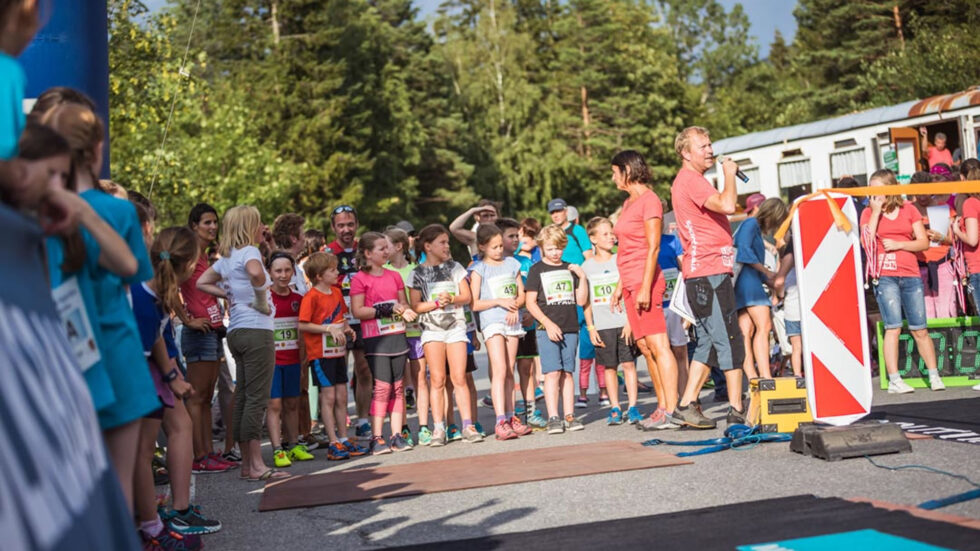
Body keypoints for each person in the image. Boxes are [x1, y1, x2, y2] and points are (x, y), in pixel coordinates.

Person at [42, 102, 161, 507]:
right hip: (115, 347)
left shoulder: (36, 210)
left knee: (68, 491)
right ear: (97, 149)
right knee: (119, 489)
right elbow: (134, 271)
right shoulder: (117, 210)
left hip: (60, 348)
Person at [131, 225, 218, 548]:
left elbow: (155, 337)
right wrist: (170, 377)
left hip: (154, 375)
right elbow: (142, 347)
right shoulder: (142, 296)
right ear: (183, 267)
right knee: (140, 452)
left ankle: (153, 520)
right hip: (138, 379)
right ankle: (150, 526)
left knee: (143, 450)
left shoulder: (155, 293)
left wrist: (171, 376)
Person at [197, 205, 289, 481]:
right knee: (256, 399)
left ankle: (249, 465)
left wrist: (228, 293)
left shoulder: (226, 256)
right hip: (256, 330)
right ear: (249, 226)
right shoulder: (249, 252)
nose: (263, 228)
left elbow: (202, 282)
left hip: (237, 330)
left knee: (243, 397)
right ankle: (257, 465)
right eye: (259, 223)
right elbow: (257, 274)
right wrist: (260, 294)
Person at [669, 127, 746, 429]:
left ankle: (687, 405)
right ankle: (737, 409)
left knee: (709, 344)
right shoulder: (689, 180)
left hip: (706, 273)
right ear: (686, 153)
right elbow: (728, 205)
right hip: (708, 272)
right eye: (703, 146)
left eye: (711, 144)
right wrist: (729, 174)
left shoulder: (693, 180)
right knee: (729, 339)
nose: (711, 150)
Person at [609, 150, 681, 430]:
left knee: (659, 344)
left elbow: (653, 247)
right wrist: (619, 287)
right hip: (628, 280)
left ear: (627, 170)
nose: (613, 177)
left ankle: (671, 410)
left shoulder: (650, 200)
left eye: (615, 171)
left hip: (645, 280)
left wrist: (645, 288)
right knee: (646, 347)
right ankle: (662, 405)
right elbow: (626, 247)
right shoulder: (629, 203)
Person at [861, 169, 943, 393]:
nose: (874, 196)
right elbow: (866, 242)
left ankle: (934, 375)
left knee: (920, 327)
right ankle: (895, 379)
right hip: (884, 275)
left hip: (910, 273)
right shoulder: (868, 213)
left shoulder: (909, 209)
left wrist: (900, 245)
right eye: (871, 191)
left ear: (890, 189)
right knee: (893, 326)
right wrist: (876, 212)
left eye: (878, 190)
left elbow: (923, 242)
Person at [350, 232, 421, 453]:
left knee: (398, 387)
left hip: (397, 335)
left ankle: (397, 435)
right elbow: (358, 310)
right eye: (381, 249)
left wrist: (405, 311)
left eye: (386, 247)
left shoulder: (394, 276)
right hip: (375, 340)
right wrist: (384, 309)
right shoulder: (359, 279)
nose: (386, 251)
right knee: (382, 387)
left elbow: (402, 303)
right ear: (368, 253)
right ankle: (377, 437)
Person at [180, 202, 237, 473]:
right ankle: (198, 455)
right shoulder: (189, 251)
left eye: (215, 222)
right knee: (197, 397)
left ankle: (207, 453)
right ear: (193, 225)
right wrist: (185, 318)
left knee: (205, 398)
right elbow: (168, 282)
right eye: (206, 222)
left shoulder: (204, 254)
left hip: (213, 330)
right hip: (198, 331)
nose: (212, 227)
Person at [408, 224, 475, 446]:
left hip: (455, 327)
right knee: (436, 379)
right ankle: (438, 428)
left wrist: (452, 299)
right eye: (442, 242)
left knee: (459, 378)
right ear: (428, 246)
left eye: (447, 242)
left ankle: (468, 425)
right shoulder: (416, 273)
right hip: (431, 331)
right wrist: (436, 303)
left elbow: (467, 296)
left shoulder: (455, 267)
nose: (447, 246)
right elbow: (415, 306)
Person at [299, 251, 369, 460]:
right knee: (328, 397)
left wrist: (347, 328)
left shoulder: (336, 293)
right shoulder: (311, 297)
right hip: (320, 354)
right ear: (319, 275)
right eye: (332, 270)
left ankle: (344, 438)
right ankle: (332, 441)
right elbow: (302, 324)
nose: (337, 272)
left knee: (341, 396)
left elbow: (341, 316)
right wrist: (327, 329)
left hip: (337, 351)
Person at [525, 224, 589, 434]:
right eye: (550, 249)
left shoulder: (570, 268)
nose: (555, 253)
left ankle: (569, 415)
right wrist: (548, 323)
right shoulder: (536, 270)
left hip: (570, 327)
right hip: (546, 327)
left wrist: (583, 277)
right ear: (543, 247)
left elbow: (581, 301)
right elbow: (530, 303)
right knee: (552, 372)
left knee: (567, 373)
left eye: (558, 248)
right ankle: (553, 416)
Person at [471, 224, 531, 440]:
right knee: (499, 368)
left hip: (511, 321)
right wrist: (499, 301)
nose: (498, 250)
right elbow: (474, 303)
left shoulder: (512, 263)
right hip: (492, 322)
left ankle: (511, 415)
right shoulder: (479, 269)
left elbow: (521, 294)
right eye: (494, 247)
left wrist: (515, 305)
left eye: (500, 246)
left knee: (509, 370)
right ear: (482, 247)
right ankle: (500, 421)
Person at [582, 217, 641, 425]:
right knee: (609, 367)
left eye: (611, 233)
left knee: (628, 365)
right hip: (602, 324)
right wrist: (590, 327)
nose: (610, 237)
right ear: (593, 239)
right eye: (605, 234)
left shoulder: (621, 260)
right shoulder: (586, 267)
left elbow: (631, 291)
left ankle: (633, 406)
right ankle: (615, 407)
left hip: (624, 322)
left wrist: (631, 322)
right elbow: (586, 301)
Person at [327, 205, 374, 442]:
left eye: (350, 224)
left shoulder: (364, 250)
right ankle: (340, 419)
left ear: (356, 224)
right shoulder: (327, 253)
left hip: (363, 318)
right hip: (337, 320)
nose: (346, 229)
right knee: (339, 373)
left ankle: (363, 420)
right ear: (334, 227)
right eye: (341, 225)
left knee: (364, 369)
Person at [265, 251, 315, 467]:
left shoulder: (299, 299)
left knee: (293, 403)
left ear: (294, 272)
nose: (283, 275)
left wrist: (305, 358)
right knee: (274, 404)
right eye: (278, 271)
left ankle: (293, 444)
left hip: (294, 360)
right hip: (272, 362)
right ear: (270, 272)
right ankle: (277, 449)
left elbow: (303, 331)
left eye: (287, 270)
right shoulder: (265, 298)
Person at [734, 197, 788, 380]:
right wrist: (765, 271)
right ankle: (765, 376)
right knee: (763, 326)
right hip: (749, 282)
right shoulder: (751, 224)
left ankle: (753, 377)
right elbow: (744, 251)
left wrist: (767, 278)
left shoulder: (750, 225)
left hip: (745, 281)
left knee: (746, 331)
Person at [384, 227, 423, 446]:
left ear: (399, 246)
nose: (383, 250)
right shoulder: (383, 272)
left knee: (421, 380)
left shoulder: (415, 270)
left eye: (386, 245)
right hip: (394, 332)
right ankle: (403, 428)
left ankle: (426, 426)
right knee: (397, 383)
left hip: (416, 331)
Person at [907, 173, 958, 319]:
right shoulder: (909, 209)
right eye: (918, 194)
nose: (922, 197)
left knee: (946, 312)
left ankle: (948, 342)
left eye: (925, 193)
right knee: (925, 314)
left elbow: (953, 240)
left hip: (943, 264)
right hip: (918, 266)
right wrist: (915, 236)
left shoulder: (944, 208)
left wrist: (941, 237)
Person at [515, 217, 545, 428]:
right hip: (506, 322)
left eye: (530, 236)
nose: (525, 239)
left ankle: (531, 410)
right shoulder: (510, 261)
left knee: (528, 367)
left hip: (530, 320)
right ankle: (509, 412)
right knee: (506, 370)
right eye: (521, 235)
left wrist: (533, 313)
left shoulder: (534, 261)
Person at [547, 197, 592, 264]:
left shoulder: (578, 230)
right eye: (552, 213)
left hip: (577, 273)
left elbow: (589, 258)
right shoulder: (548, 233)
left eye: (559, 211)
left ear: (566, 212)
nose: (555, 215)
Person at [272, 212, 308, 294]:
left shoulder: (293, 263)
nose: (304, 238)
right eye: (303, 233)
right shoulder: (283, 266)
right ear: (293, 238)